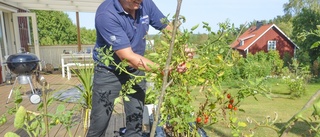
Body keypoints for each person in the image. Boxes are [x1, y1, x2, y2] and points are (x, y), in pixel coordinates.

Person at [86, 0, 172, 136]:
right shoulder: (106, 14)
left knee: (135, 121)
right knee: (99, 123)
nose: (139, 1)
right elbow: (127, 57)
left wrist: (182, 46)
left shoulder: (145, 4)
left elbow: (168, 28)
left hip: (136, 69)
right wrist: (164, 69)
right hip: (108, 71)